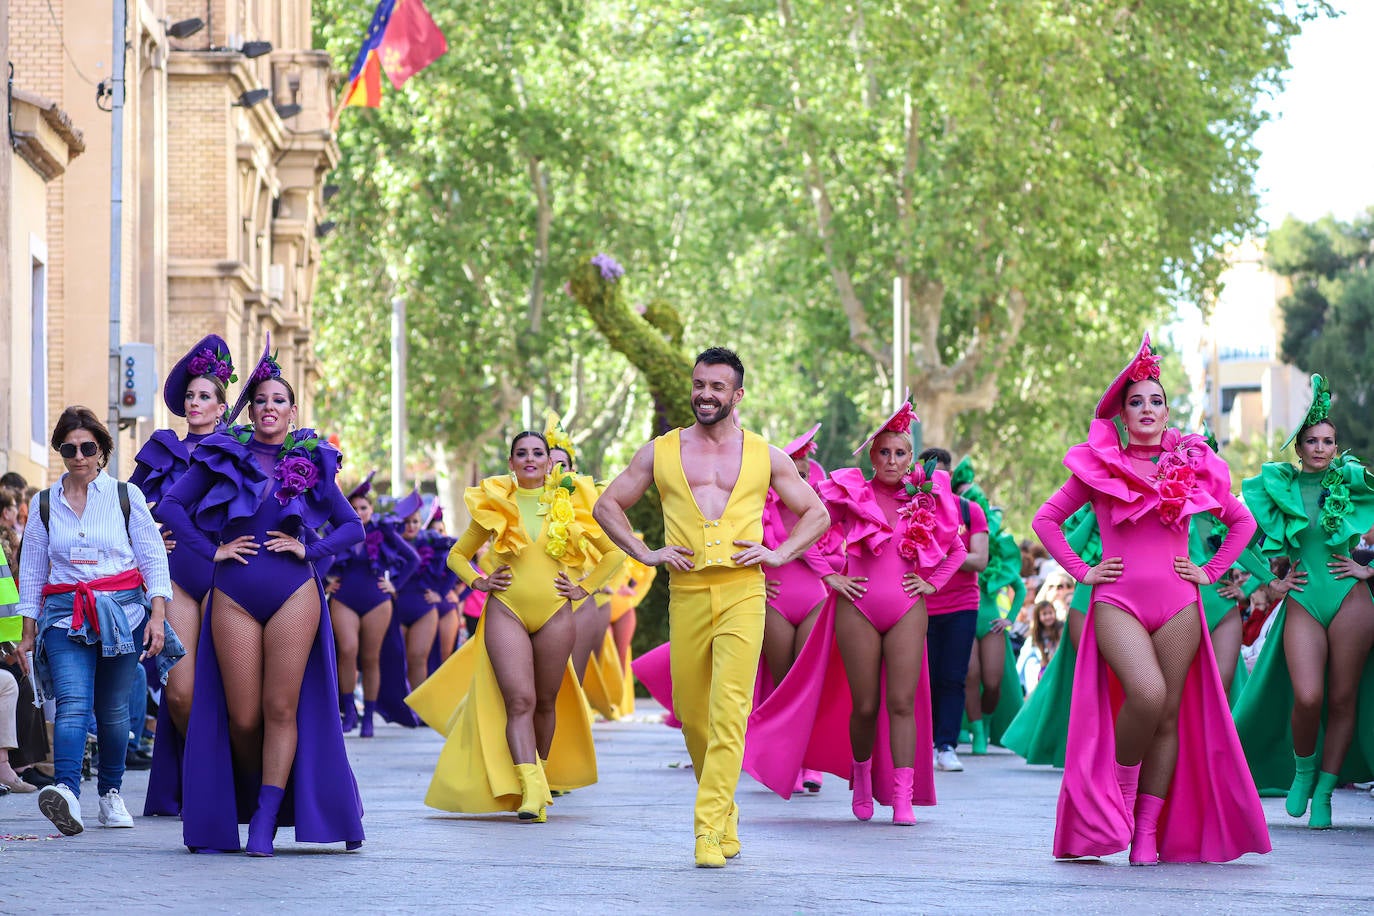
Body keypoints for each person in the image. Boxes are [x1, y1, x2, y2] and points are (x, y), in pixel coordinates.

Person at [1031, 333, 1269, 865]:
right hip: (1117, 601)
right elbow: (1045, 520)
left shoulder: (1192, 462)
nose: (1146, 408)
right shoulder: (1100, 465)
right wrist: (1083, 571)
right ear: (1122, 413)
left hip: (1180, 603)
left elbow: (1241, 521)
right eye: (1135, 401)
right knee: (1146, 693)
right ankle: (1117, 792)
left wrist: (1208, 571)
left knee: (1167, 716)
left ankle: (1146, 832)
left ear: (1167, 411)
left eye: (1155, 400)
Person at [593, 347, 829, 868]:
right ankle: (725, 813)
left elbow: (816, 512)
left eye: (717, 387)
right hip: (688, 593)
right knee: (696, 717)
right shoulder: (660, 451)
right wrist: (645, 553)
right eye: (699, 384)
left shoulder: (767, 454)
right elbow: (605, 505)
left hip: (746, 592)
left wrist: (781, 553)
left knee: (730, 714)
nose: (705, 394)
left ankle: (705, 830)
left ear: (737, 394)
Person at [156, 339, 365, 855]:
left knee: (279, 708)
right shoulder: (225, 452)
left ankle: (267, 819)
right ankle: (251, 801)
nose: (270, 407)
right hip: (234, 593)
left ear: (293, 411)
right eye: (262, 400)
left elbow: (352, 526)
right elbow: (171, 506)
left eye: (279, 400)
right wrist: (212, 551)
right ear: (250, 409)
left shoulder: (312, 458)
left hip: (295, 590)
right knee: (243, 715)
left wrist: (309, 547)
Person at [742, 400, 966, 830]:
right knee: (864, 705)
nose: (893, 461)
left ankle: (902, 798)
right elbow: (808, 527)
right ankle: (862, 778)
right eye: (884, 452)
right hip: (856, 607)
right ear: (871, 456)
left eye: (901, 453)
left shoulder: (926, 498)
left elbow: (955, 549)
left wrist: (933, 582)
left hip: (907, 607)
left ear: (911, 458)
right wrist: (832, 577)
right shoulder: (850, 493)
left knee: (902, 703)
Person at [416, 430, 623, 823]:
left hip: (556, 614)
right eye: (521, 454)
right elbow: (457, 555)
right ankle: (530, 790)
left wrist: (583, 588)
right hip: (505, 610)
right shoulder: (497, 502)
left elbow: (612, 555)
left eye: (537, 453)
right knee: (520, 701)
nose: (530, 459)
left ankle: (541, 778)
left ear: (549, 462)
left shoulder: (571, 503)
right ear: (511, 463)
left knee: (545, 701)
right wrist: (479, 581)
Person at [15, 406, 176, 836]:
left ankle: (109, 794)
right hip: (65, 616)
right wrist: (28, 630)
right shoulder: (44, 502)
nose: (78, 456)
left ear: (102, 451)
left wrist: (157, 616)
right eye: (69, 448)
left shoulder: (127, 497)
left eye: (87, 447)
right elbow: (31, 569)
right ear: (61, 451)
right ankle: (66, 792)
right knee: (72, 703)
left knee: (113, 710)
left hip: (122, 615)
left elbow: (153, 559)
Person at [1234, 373, 1374, 829]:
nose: (1320, 448)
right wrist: (1270, 582)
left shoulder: (1352, 482)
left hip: (1350, 597)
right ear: (1299, 447)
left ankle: (1327, 794)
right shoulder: (1280, 486)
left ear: (1336, 446)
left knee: (1342, 697)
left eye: (1328, 441)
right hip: (1303, 600)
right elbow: (1240, 538)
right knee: (1309, 696)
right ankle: (1303, 773)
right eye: (1311, 440)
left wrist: (1368, 568)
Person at [129, 334, 235, 815]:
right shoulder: (162, 450)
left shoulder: (242, 450)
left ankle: (233, 783)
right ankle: (200, 776)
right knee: (181, 691)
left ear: (222, 405)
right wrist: (153, 529)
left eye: (205, 396)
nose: (195, 403)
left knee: (238, 692)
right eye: (190, 396)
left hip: (234, 578)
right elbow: (126, 510)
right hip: (175, 578)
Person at [759, 422, 842, 792]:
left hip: (813, 600)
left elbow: (836, 555)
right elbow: (764, 548)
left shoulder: (823, 511)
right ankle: (785, 761)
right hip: (775, 601)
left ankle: (812, 763)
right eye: (797, 473)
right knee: (782, 685)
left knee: (811, 684)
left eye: (808, 474)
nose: (803, 479)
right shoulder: (763, 509)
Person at [329, 472, 421, 736]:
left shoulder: (384, 531)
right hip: (344, 597)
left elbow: (412, 559)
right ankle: (350, 714)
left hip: (377, 600)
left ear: (371, 509)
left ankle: (369, 717)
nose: (359, 511)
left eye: (363, 507)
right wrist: (326, 581)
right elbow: (317, 552)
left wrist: (396, 585)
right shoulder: (338, 529)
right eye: (354, 507)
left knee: (370, 658)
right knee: (346, 651)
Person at [918, 447, 988, 772]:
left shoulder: (970, 511)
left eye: (942, 473)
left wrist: (940, 556)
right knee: (925, 677)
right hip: (921, 603)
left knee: (954, 677)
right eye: (930, 473)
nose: (936, 480)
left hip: (962, 605)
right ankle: (925, 743)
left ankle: (946, 745)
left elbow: (980, 559)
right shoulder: (913, 508)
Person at [950, 458, 1025, 754]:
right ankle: (976, 729)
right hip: (963, 614)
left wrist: (1011, 618)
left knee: (992, 681)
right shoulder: (951, 536)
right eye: (966, 495)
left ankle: (988, 720)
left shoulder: (996, 545)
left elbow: (1018, 588)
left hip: (991, 620)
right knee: (970, 674)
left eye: (976, 494)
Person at [1018, 600, 1062, 691]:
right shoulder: (1038, 633)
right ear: (1038, 617)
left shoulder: (1060, 627)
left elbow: (1059, 649)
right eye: (1044, 614)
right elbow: (1043, 655)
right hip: (1047, 661)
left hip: (1057, 660)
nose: (1048, 617)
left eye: (1050, 613)